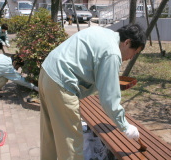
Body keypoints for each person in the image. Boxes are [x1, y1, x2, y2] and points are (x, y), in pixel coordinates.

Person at [38, 24, 147, 160]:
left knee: (50, 134)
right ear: (127, 42)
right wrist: (125, 126)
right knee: (71, 142)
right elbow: (109, 99)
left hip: (47, 73)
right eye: (134, 53)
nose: (131, 58)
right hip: (62, 84)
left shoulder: (102, 32)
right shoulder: (112, 52)